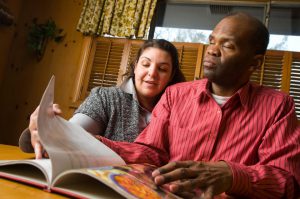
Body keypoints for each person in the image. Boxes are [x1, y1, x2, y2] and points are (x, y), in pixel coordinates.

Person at [96, 12, 300, 198]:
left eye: (227, 46)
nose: (212, 50)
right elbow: (151, 153)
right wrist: (88, 140)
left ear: (255, 63)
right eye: (211, 41)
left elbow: (287, 182)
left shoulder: (278, 106)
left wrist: (232, 175)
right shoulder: (175, 95)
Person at [19, 39, 186, 158]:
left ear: (171, 76)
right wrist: (50, 127)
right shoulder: (106, 97)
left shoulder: (179, 111)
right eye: (146, 64)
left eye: (162, 69)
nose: (152, 73)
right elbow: (73, 133)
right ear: (135, 66)